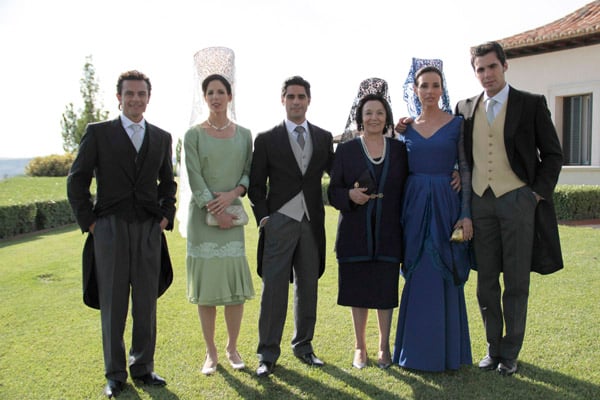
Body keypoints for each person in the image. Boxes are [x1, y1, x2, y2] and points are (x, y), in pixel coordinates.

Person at [455, 41, 563, 376]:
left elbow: (553, 155)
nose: (486, 74)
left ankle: (511, 352)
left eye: (492, 67)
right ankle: (492, 348)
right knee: (486, 280)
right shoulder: (464, 107)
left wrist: (535, 196)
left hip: (518, 199)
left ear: (505, 66)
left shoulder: (530, 104)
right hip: (480, 201)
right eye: (480, 69)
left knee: (516, 281)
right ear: (475, 72)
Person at [67, 70, 176, 398]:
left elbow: (168, 183)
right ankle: (115, 374)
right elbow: (77, 179)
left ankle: (143, 367)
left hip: (148, 229)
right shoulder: (98, 134)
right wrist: (90, 223)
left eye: (141, 94)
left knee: (146, 303)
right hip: (109, 228)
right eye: (129, 94)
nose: (135, 99)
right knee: (113, 304)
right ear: (118, 97)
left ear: (148, 98)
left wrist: (166, 216)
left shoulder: (161, 137)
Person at [248, 75, 334, 377]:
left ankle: (304, 346)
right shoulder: (266, 139)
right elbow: (256, 186)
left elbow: (340, 173)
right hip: (279, 221)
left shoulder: (324, 138)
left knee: (308, 287)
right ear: (282, 99)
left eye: (301, 96)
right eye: (291, 96)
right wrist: (264, 218)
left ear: (309, 100)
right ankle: (267, 354)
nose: (296, 101)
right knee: (273, 291)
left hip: (311, 222)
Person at [392, 66, 473, 372]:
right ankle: (414, 351)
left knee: (445, 270)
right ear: (414, 90)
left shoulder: (457, 124)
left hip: (445, 203)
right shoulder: (406, 128)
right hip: (414, 205)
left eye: (435, 85)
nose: (429, 90)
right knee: (418, 270)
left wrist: (465, 213)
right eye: (423, 85)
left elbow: (464, 168)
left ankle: (448, 352)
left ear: (442, 89)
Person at [180, 73, 254, 375]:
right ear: (204, 96)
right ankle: (210, 353)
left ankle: (232, 347)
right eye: (210, 92)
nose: (215, 97)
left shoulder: (245, 134)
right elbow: (194, 175)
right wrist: (214, 208)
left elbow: (248, 173)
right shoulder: (192, 135)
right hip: (203, 217)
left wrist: (233, 196)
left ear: (229, 96)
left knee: (234, 289)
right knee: (208, 288)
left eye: (221, 91)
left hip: (233, 215)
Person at [329, 94, 409, 369]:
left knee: (386, 291)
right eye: (368, 113)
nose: (374, 117)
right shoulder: (346, 150)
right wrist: (349, 194)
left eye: (379, 112)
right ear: (360, 117)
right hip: (355, 231)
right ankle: (360, 347)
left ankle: (383, 347)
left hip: (389, 229)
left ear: (387, 116)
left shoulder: (399, 150)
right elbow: (332, 191)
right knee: (358, 290)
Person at [339, 77, 392, 143]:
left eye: (380, 113)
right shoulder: (347, 146)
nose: (374, 118)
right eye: (368, 113)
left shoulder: (397, 146)